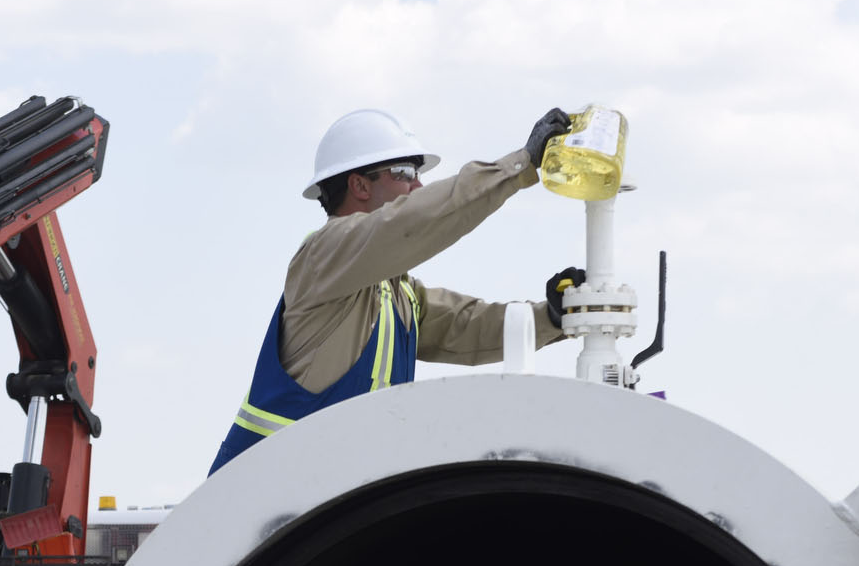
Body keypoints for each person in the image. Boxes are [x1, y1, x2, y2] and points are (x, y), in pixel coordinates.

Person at [207, 107, 584, 474]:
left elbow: (465, 326)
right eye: (404, 173)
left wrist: (551, 317)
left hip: (321, 493)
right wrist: (519, 165)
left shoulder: (396, 294)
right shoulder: (322, 256)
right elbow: (412, 221)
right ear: (358, 185)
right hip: (256, 496)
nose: (418, 186)